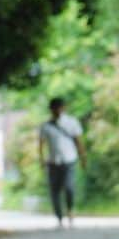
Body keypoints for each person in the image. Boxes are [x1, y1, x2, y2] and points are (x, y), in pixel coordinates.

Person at [38, 97, 86, 227]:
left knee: (69, 187)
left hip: (69, 160)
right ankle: (59, 217)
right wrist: (41, 159)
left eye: (60, 107)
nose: (58, 110)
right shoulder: (46, 126)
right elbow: (41, 144)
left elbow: (78, 141)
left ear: (64, 108)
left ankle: (70, 210)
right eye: (55, 108)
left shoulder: (72, 122)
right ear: (51, 109)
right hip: (53, 162)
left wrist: (83, 158)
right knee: (55, 191)